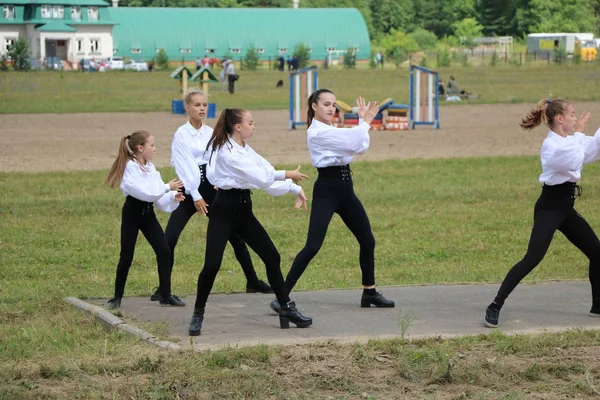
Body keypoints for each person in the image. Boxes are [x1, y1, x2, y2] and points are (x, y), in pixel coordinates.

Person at [188, 108, 313, 336]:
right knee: (212, 265)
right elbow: (260, 177)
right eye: (251, 123)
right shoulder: (227, 151)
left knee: (271, 256)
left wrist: (294, 187)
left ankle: (285, 307)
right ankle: (198, 312)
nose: (254, 126)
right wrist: (287, 174)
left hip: (244, 210)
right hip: (223, 210)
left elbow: (264, 172)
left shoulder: (246, 149)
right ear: (238, 127)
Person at [270, 90, 395, 313]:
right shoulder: (316, 133)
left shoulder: (331, 130)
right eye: (326, 104)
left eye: (334, 105)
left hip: (346, 189)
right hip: (327, 191)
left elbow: (360, 147)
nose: (331, 109)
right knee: (312, 246)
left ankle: (369, 292)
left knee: (367, 240)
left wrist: (361, 124)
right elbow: (354, 140)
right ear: (313, 107)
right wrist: (364, 122)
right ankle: (282, 296)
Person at [484, 99, 600, 328]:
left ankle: (598, 306)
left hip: (566, 209)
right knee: (533, 258)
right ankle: (495, 306)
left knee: (597, 253)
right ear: (560, 119)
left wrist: (581, 135)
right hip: (549, 208)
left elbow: (593, 149)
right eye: (572, 114)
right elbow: (574, 157)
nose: (576, 118)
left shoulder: (569, 140)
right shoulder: (552, 145)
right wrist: (579, 132)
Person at [149, 88, 273, 301]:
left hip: (212, 187)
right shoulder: (181, 134)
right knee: (170, 238)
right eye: (197, 105)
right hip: (189, 188)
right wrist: (195, 195)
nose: (202, 108)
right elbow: (183, 166)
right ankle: (163, 290)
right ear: (187, 107)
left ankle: (252, 280)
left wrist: (217, 181)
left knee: (235, 235)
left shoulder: (211, 133)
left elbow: (217, 159)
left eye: (205, 104)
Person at [104, 130, 186, 310]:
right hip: (132, 213)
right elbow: (144, 192)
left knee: (164, 250)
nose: (155, 149)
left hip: (147, 214)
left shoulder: (150, 167)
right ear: (140, 148)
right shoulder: (130, 167)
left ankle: (165, 294)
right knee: (127, 255)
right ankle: (117, 297)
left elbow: (156, 199)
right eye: (152, 145)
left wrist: (172, 196)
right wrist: (167, 187)